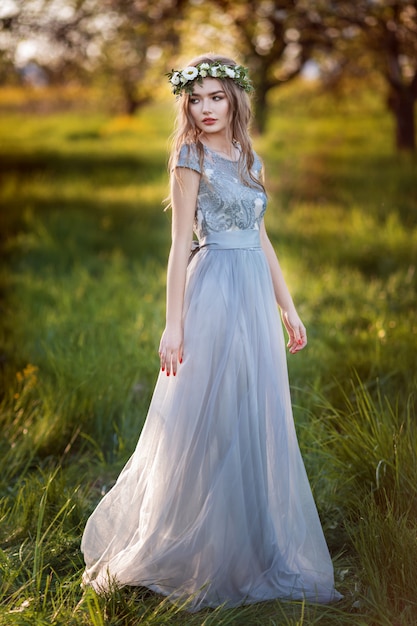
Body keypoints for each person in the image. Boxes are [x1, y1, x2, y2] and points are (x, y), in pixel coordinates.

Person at [81, 53, 341, 611]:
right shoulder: (189, 156)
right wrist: (173, 325)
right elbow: (180, 246)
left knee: (253, 409)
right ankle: (198, 546)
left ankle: (250, 544)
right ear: (186, 105)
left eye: (216, 97)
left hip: (252, 291)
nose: (205, 109)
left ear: (235, 100)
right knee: (208, 413)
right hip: (214, 289)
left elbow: (261, 236)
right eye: (195, 99)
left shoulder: (251, 158)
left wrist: (287, 308)